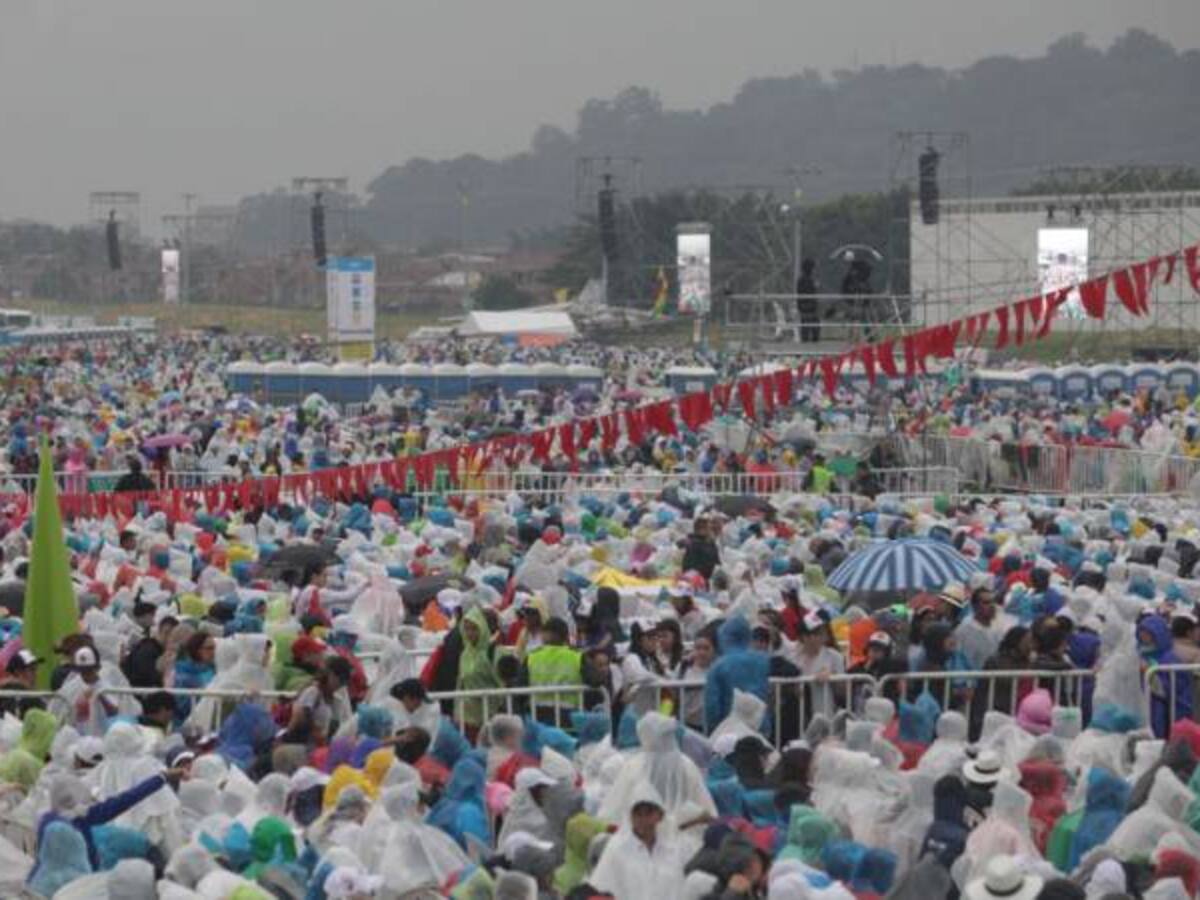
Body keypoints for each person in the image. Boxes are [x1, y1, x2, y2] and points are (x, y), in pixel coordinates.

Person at [589, 784, 686, 900]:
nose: (643, 820)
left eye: (648, 814)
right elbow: (601, 888)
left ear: (660, 815)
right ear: (630, 816)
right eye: (638, 814)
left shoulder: (672, 850)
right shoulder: (617, 849)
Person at [524, 617, 584, 726]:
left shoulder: (531, 657)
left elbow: (519, 686)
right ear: (566, 637)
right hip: (569, 718)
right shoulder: (577, 657)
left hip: (537, 718)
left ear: (544, 635)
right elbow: (596, 680)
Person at [796, 257, 820, 344]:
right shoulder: (804, 279)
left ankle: (812, 341)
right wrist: (814, 286)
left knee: (813, 325)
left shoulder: (806, 279)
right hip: (807, 306)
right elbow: (805, 292)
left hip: (809, 306)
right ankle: (807, 342)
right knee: (808, 325)